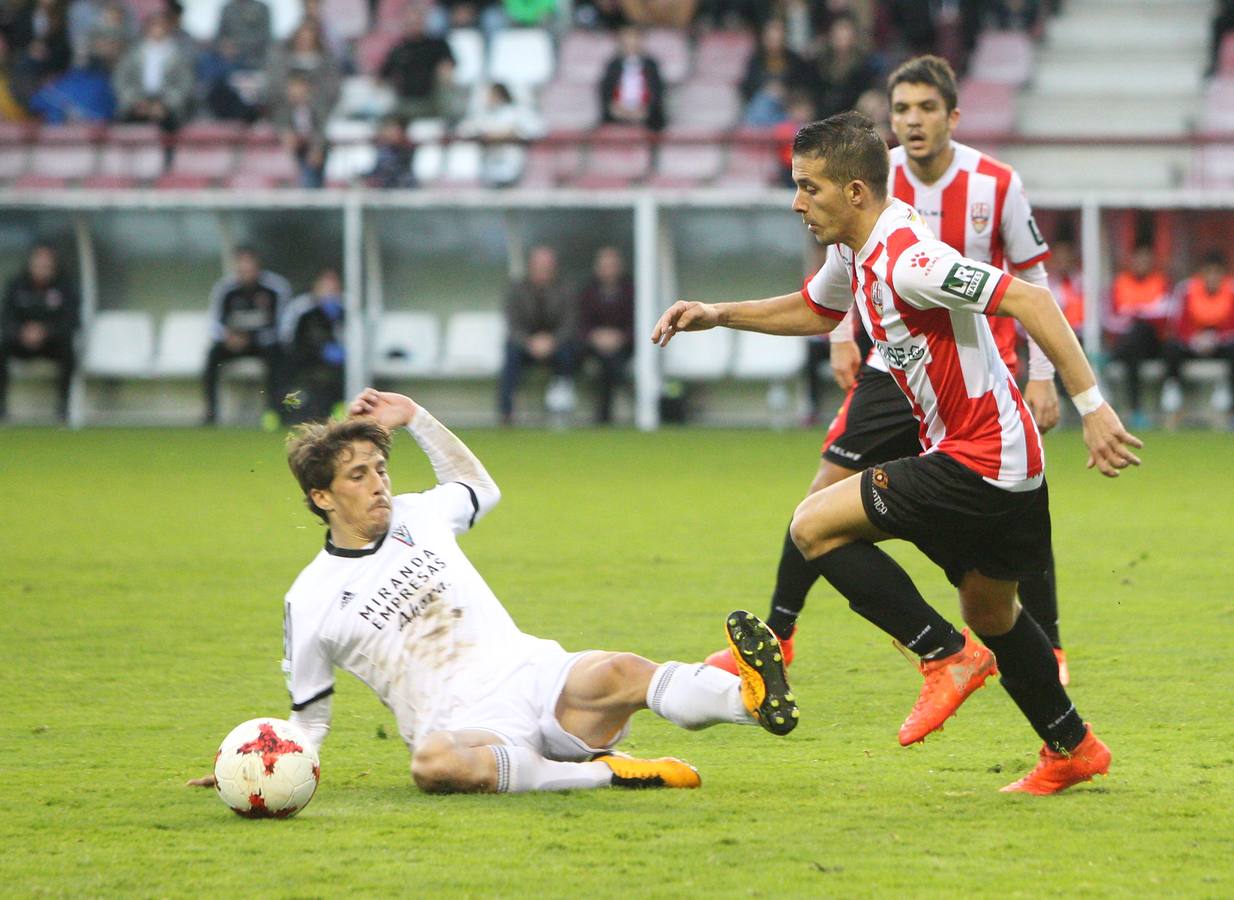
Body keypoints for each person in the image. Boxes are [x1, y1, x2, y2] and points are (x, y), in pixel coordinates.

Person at [652, 110, 1142, 794]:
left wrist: (1093, 408)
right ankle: (1072, 747)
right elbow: (817, 310)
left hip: (981, 459)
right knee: (993, 611)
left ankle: (943, 656)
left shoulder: (911, 260)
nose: (797, 203)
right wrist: (717, 312)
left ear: (855, 192)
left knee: (814, 525)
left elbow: (1030, 298)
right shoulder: (857, 249)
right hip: (1008, 465)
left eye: (809, 188)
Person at [187, 388, 798, 795]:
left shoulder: (418, 514)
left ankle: (751, 701)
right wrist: (259, 765)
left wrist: (418, 418)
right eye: (358, 476)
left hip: (532, 672)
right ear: (322, 497)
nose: (378, 485)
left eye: (380, 469)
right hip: (465, 726)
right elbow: (309, 721)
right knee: (431, 765)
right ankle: (605, 777)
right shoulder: (310, 598)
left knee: (621, 670)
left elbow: (479, 486)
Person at [705, 55, 1073, 702]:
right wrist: (831, 334)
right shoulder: (874, 178)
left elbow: (1031, 283)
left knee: (990, 526)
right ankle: (784, 631)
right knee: (823, 500)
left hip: (971, 371)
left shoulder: (992, 184)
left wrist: (1051, 379)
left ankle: (1019, 648)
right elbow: (831, 290)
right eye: (901, 109)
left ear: (952, 116)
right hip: (892, 368)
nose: (912, 120)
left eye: (926, 108)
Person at [203, 246, 290, 427]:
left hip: (263, 343)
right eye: (241, 270)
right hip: (233, 344)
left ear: (257, 268)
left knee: (278, 356)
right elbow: (214, 323)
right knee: (212, 356)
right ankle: (211, 412)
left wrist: (251, 337)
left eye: (249, 269)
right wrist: (227, 337)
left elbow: (282, 325)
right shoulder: (225, 289)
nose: (246, 274)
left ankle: (276, 412)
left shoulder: (275, 287)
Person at [498, 245, 579, 426]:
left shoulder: (565, 289)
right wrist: (529, 342)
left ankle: (561, 407)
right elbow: (512, 324)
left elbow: (570, 323)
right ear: (531, 267)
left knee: (569, 353)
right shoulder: (517, 290)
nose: (543, 272)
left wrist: (552, 341)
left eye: (547, 267)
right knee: (510, 354)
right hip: (525, 345)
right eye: (539, 267)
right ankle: (506, 414)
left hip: (556, 345)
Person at [0, 242, 78, 422]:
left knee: (68, 349)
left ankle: (63, 408)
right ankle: (2, 407)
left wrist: (46, 331)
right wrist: (22, 331)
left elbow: (71, 320)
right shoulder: (17, 284)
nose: (42, 268)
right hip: (21, 340)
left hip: (52, 341)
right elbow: (6, 317)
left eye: (47, 264)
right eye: (38, 263)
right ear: (30, 263)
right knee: (2, 346)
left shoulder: (64, 286)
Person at [1161, 251, 1234, 427]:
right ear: (1202, 273)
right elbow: (1177, 323)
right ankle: (1173, 394)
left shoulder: (1231, 290)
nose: (1213, 277)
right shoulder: (1186, 290)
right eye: (1209, 272)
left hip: (1221, 345)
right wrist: (1194, 340)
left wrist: (1216, 339)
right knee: (1171, 347)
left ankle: (1228, 398)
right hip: (1192, 345)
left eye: (1217, 273)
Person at [1107, 242, 1171, 429]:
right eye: (1138, 258)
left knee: (1140, 331)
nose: (1142, 262)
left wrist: (1135, 313)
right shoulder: (1120, 283)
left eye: (1146, 258)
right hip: (1131, 344)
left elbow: (1165, 314)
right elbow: (1110, 319)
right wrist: (1140, 314)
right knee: (1133, 345)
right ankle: (1136, 411)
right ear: (1131, 260)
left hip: (1153, 342)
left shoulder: (1161, 282)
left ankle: (1112, 357)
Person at [112, 11, 194, 136]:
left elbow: (184, 84)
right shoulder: (132, 53)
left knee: (171, 125)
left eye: (161, 26)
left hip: (166, 102)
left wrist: (165, 104)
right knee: (126, 125)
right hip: (138, 100)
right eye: (154, 26)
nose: (158, 30)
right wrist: (136, 101)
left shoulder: (178, 55)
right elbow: (121, 80)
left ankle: (169, 155)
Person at [577, 246, 634, 425]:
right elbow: (580, 322)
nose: (608, 270)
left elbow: (638, 322)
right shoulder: (587, 292)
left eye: (612, 265)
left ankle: (604, 417)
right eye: (605, 266)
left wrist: (620, 337)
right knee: (600, 362)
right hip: (592, 345)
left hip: (624, 346)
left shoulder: (631, 291)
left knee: (611, 363)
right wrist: (595, 337)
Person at [280, 267, 345, 423]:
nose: (329, 292)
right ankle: (286, 413)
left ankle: (338, 412)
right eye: (326, 286)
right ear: (316, 286)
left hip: (335, 362)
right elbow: (286, 335)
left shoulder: (344, 307)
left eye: (333, 287)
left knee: (338, 375)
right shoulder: (302, 306)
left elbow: (351, 336)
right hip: (303, 357)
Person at [378, 6, 458, 122]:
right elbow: (382, 76)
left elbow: (448, 67)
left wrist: (444, 76)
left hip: (432, 101)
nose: (414, 25)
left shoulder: (437, 45)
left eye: (417, 21)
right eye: (410, 22)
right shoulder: (398, 49)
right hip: (405, 102)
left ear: (424, 21)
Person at [598, 25, 665, 132]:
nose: (631, 42)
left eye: (635, 38)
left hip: (646, 116)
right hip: (617, 114)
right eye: (627, 38)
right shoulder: (613, 65)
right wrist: (615, 109)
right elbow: (605, 91)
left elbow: (657, 91)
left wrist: (646, 110)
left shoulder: (651, 64)